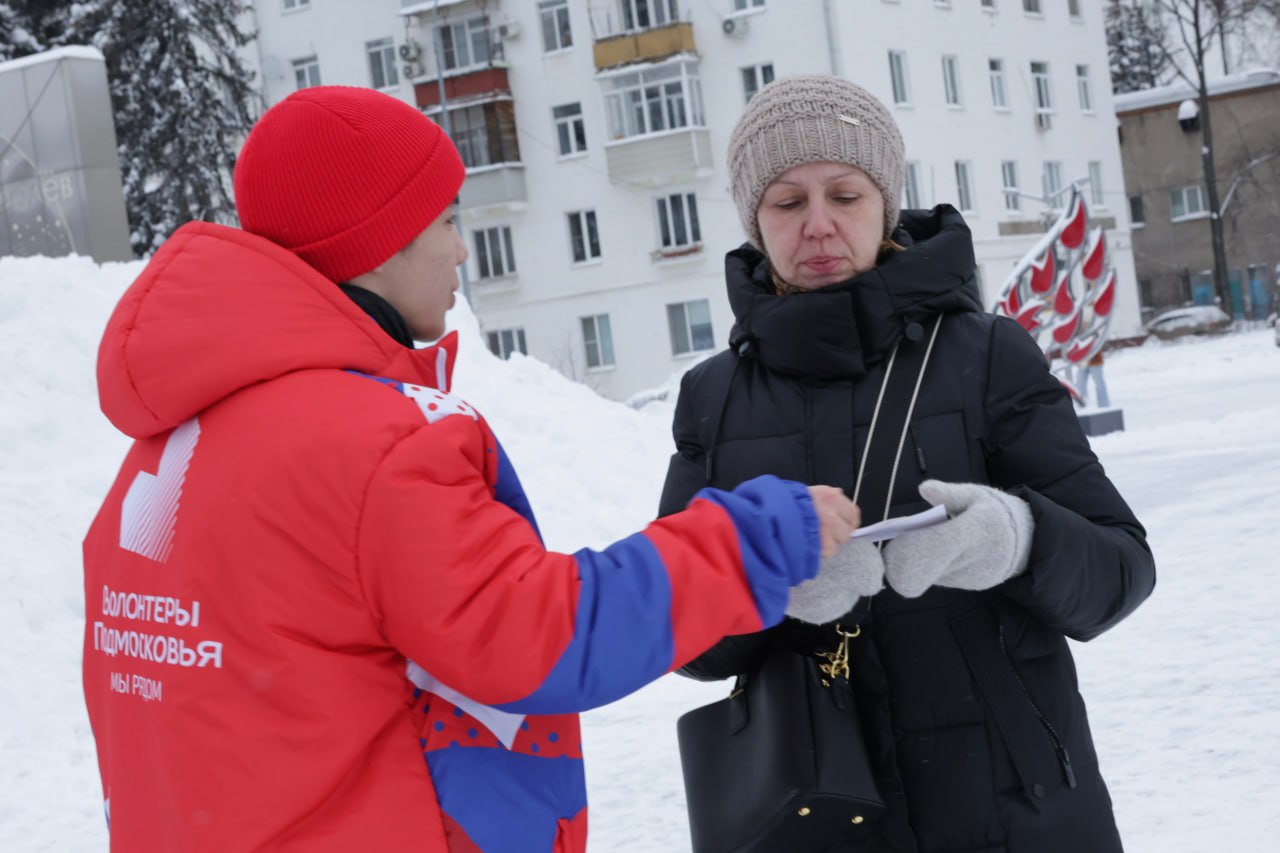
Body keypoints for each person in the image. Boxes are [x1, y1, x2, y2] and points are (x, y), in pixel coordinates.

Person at [81, 86, 866, 853]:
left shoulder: (171, 440)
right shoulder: (372, 439)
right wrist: (753, 539)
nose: (461, 248)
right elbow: (538, 637)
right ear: (378, 242)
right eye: (445, 221)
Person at [659, 75, 1156, 853]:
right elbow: (680, 632)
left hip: (1017, 814)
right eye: (788, 202)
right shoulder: (714, 398)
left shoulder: (988, 356)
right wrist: (767, 587)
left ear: (884, 202)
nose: (818, 224)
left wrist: (1015, 538)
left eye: (844, 194)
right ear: (755, 219)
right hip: (819, 817)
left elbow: (1122, 570)